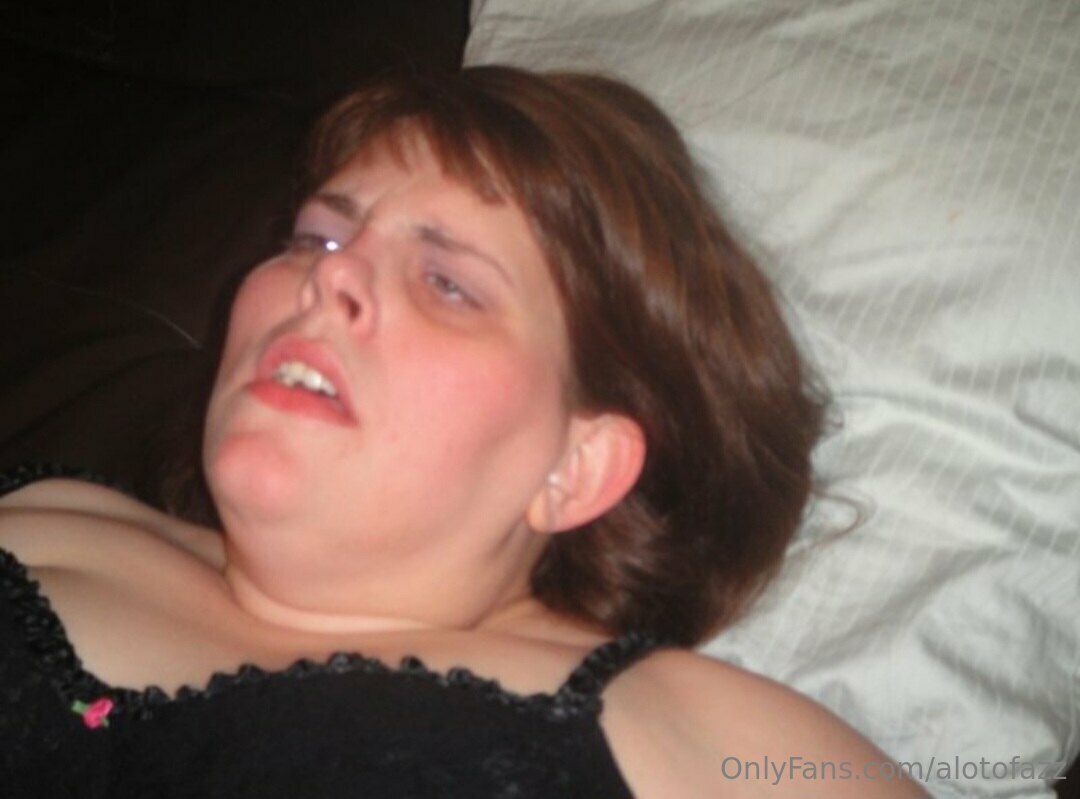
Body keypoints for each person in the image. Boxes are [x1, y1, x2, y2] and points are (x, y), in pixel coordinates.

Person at [0, 66, 924, 797]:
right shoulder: (46, 512)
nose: (328, 277)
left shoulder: (705, 735)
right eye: (317, 238)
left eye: (448, 283)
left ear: (577, 464)